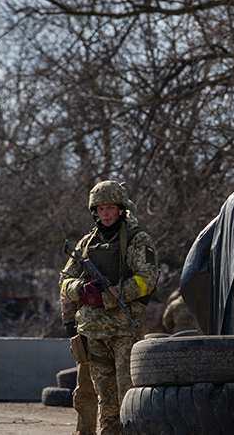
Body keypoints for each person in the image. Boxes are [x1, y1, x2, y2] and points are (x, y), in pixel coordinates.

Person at [60, 181, 158, 435]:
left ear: (121, 208)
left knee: (127, 393)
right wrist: (81, 290)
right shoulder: (86, 242)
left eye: (110, 208)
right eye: (100, 208)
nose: (105, 213)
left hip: (124, 329)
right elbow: (65, 280)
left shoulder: (138, 239)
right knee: (105, 397)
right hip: (93, 331)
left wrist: (109, 297)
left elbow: (147, 278)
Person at [60, 292, 97, 435]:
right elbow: (67, 288)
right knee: (85, 384)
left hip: (117, 330)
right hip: (86, 329)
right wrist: (69, 321)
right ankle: (85, 429)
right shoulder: (78, 269)